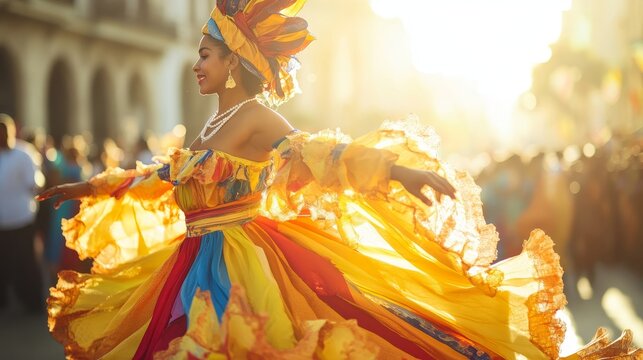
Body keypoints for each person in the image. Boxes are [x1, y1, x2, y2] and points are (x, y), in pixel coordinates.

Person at [37, 1, 638, 359]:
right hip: (191, 261)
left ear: (235, 63)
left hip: (242, 261)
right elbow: (164, 176)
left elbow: (317, 151)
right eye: (198, 54)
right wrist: (87, 188)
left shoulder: (253, 116)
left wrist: (396, 168)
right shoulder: (213, 120)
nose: (197, 65)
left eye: (206, 54)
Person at [0, 114, 44, 313]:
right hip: (2, 221)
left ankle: (32, 302)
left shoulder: (24, 153)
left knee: (26, 263)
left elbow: (34, 184)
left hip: (21, 219)